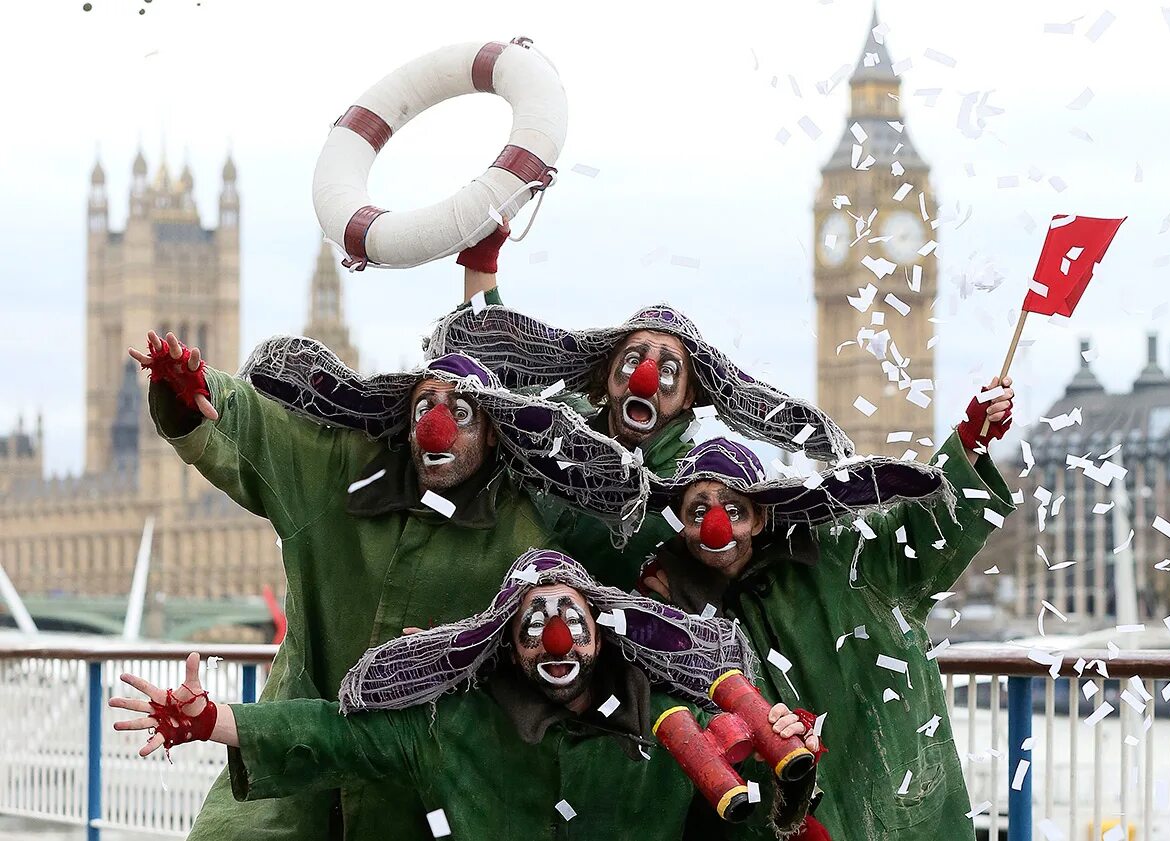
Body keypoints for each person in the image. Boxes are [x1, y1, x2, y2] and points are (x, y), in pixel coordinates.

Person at [132, 332, 652, 841]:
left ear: (493, 431)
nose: (437, 428)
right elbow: (263, 432)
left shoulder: (522, 538)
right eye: (424, 408)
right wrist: (196, 394)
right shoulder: (342, 475)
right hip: (291, 774)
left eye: (462, 411)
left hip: (418, 792)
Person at [111, 550, 829, 840]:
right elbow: (330, 731)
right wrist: (214, 718)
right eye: (536, 625)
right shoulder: (451, 727)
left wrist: (788, 775)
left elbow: (764, 821)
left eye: (571, 622)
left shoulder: (673, 726)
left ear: (601, 635)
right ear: (506, 644)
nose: (556, 641)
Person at [640, 379, 1017, 841]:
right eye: (699, 512)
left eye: (734, 510)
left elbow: (920, 527)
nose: (717, 526)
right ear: (682, 526)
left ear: (760, 516)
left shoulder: (844, 552)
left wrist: (968, 444)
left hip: (894, 807)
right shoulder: (670, 611)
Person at [435, 229, 852, 589]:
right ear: (609, 371)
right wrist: (481, 258)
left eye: (668, 370)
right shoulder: (555, 422)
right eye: (633, 360)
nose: (645, 380)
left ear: (690, 396)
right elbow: (493, 357)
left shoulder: (696, 484)